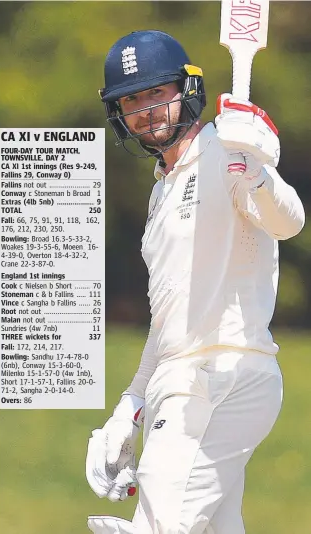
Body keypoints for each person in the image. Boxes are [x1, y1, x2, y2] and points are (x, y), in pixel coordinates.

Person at [85, 30, 305, 534]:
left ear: (186, 90)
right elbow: (169, 325)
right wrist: (129, 409)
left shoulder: (226, 151)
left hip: (224, 373)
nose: (146, 110)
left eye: (157, 93)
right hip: (181, 380)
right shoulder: (159, 193)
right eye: (132, 100)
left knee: (159, 525)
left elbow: (287, 221)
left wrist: (257, 172)